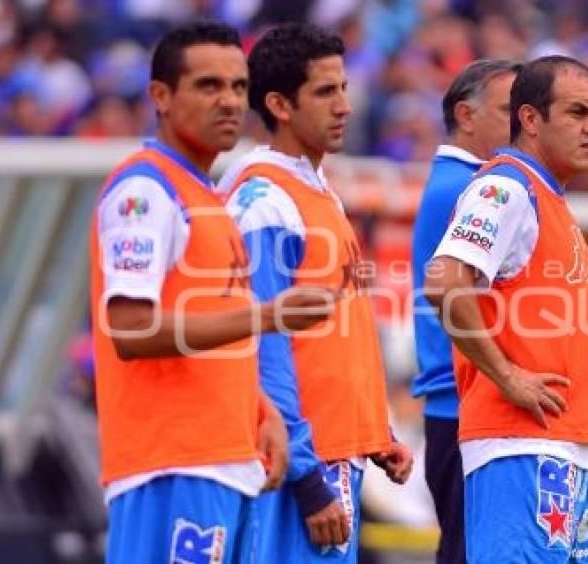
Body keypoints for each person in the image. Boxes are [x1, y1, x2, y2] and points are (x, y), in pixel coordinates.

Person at [90, 21, 335, 563]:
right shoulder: (145, 191)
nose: (228, 101)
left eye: (237, 87)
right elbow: (131, 331)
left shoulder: (204, 195)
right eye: (207, 86)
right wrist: (266, 316)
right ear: (160, 96)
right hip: (172, 463)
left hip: (221, 458)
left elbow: (210, 324)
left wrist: (259, 407)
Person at [218, 23, 413, 563]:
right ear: (280, 104)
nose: (345, 105)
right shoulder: (263, 199)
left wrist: (374, 430)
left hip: (332, 455)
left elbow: (333, 336)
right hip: (298, 468)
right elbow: (262, 346)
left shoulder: (315, 189)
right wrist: (306, 478)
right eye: (326, 92)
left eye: (345, 88)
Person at [424, 55, 588, 563]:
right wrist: (507, 376)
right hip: (522, 447)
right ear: (530, 119)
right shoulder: (504, 186)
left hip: (568, 444)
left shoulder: (548, 197)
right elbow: (444, 283)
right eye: (576, 113)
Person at [410, 58, 521, 564]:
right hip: (468, 411)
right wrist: (509, 375)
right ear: (466, 115)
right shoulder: (477, 190)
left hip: (464, 410)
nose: (524, 124)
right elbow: (448, 292)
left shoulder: (481, 184)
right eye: (510, 111)